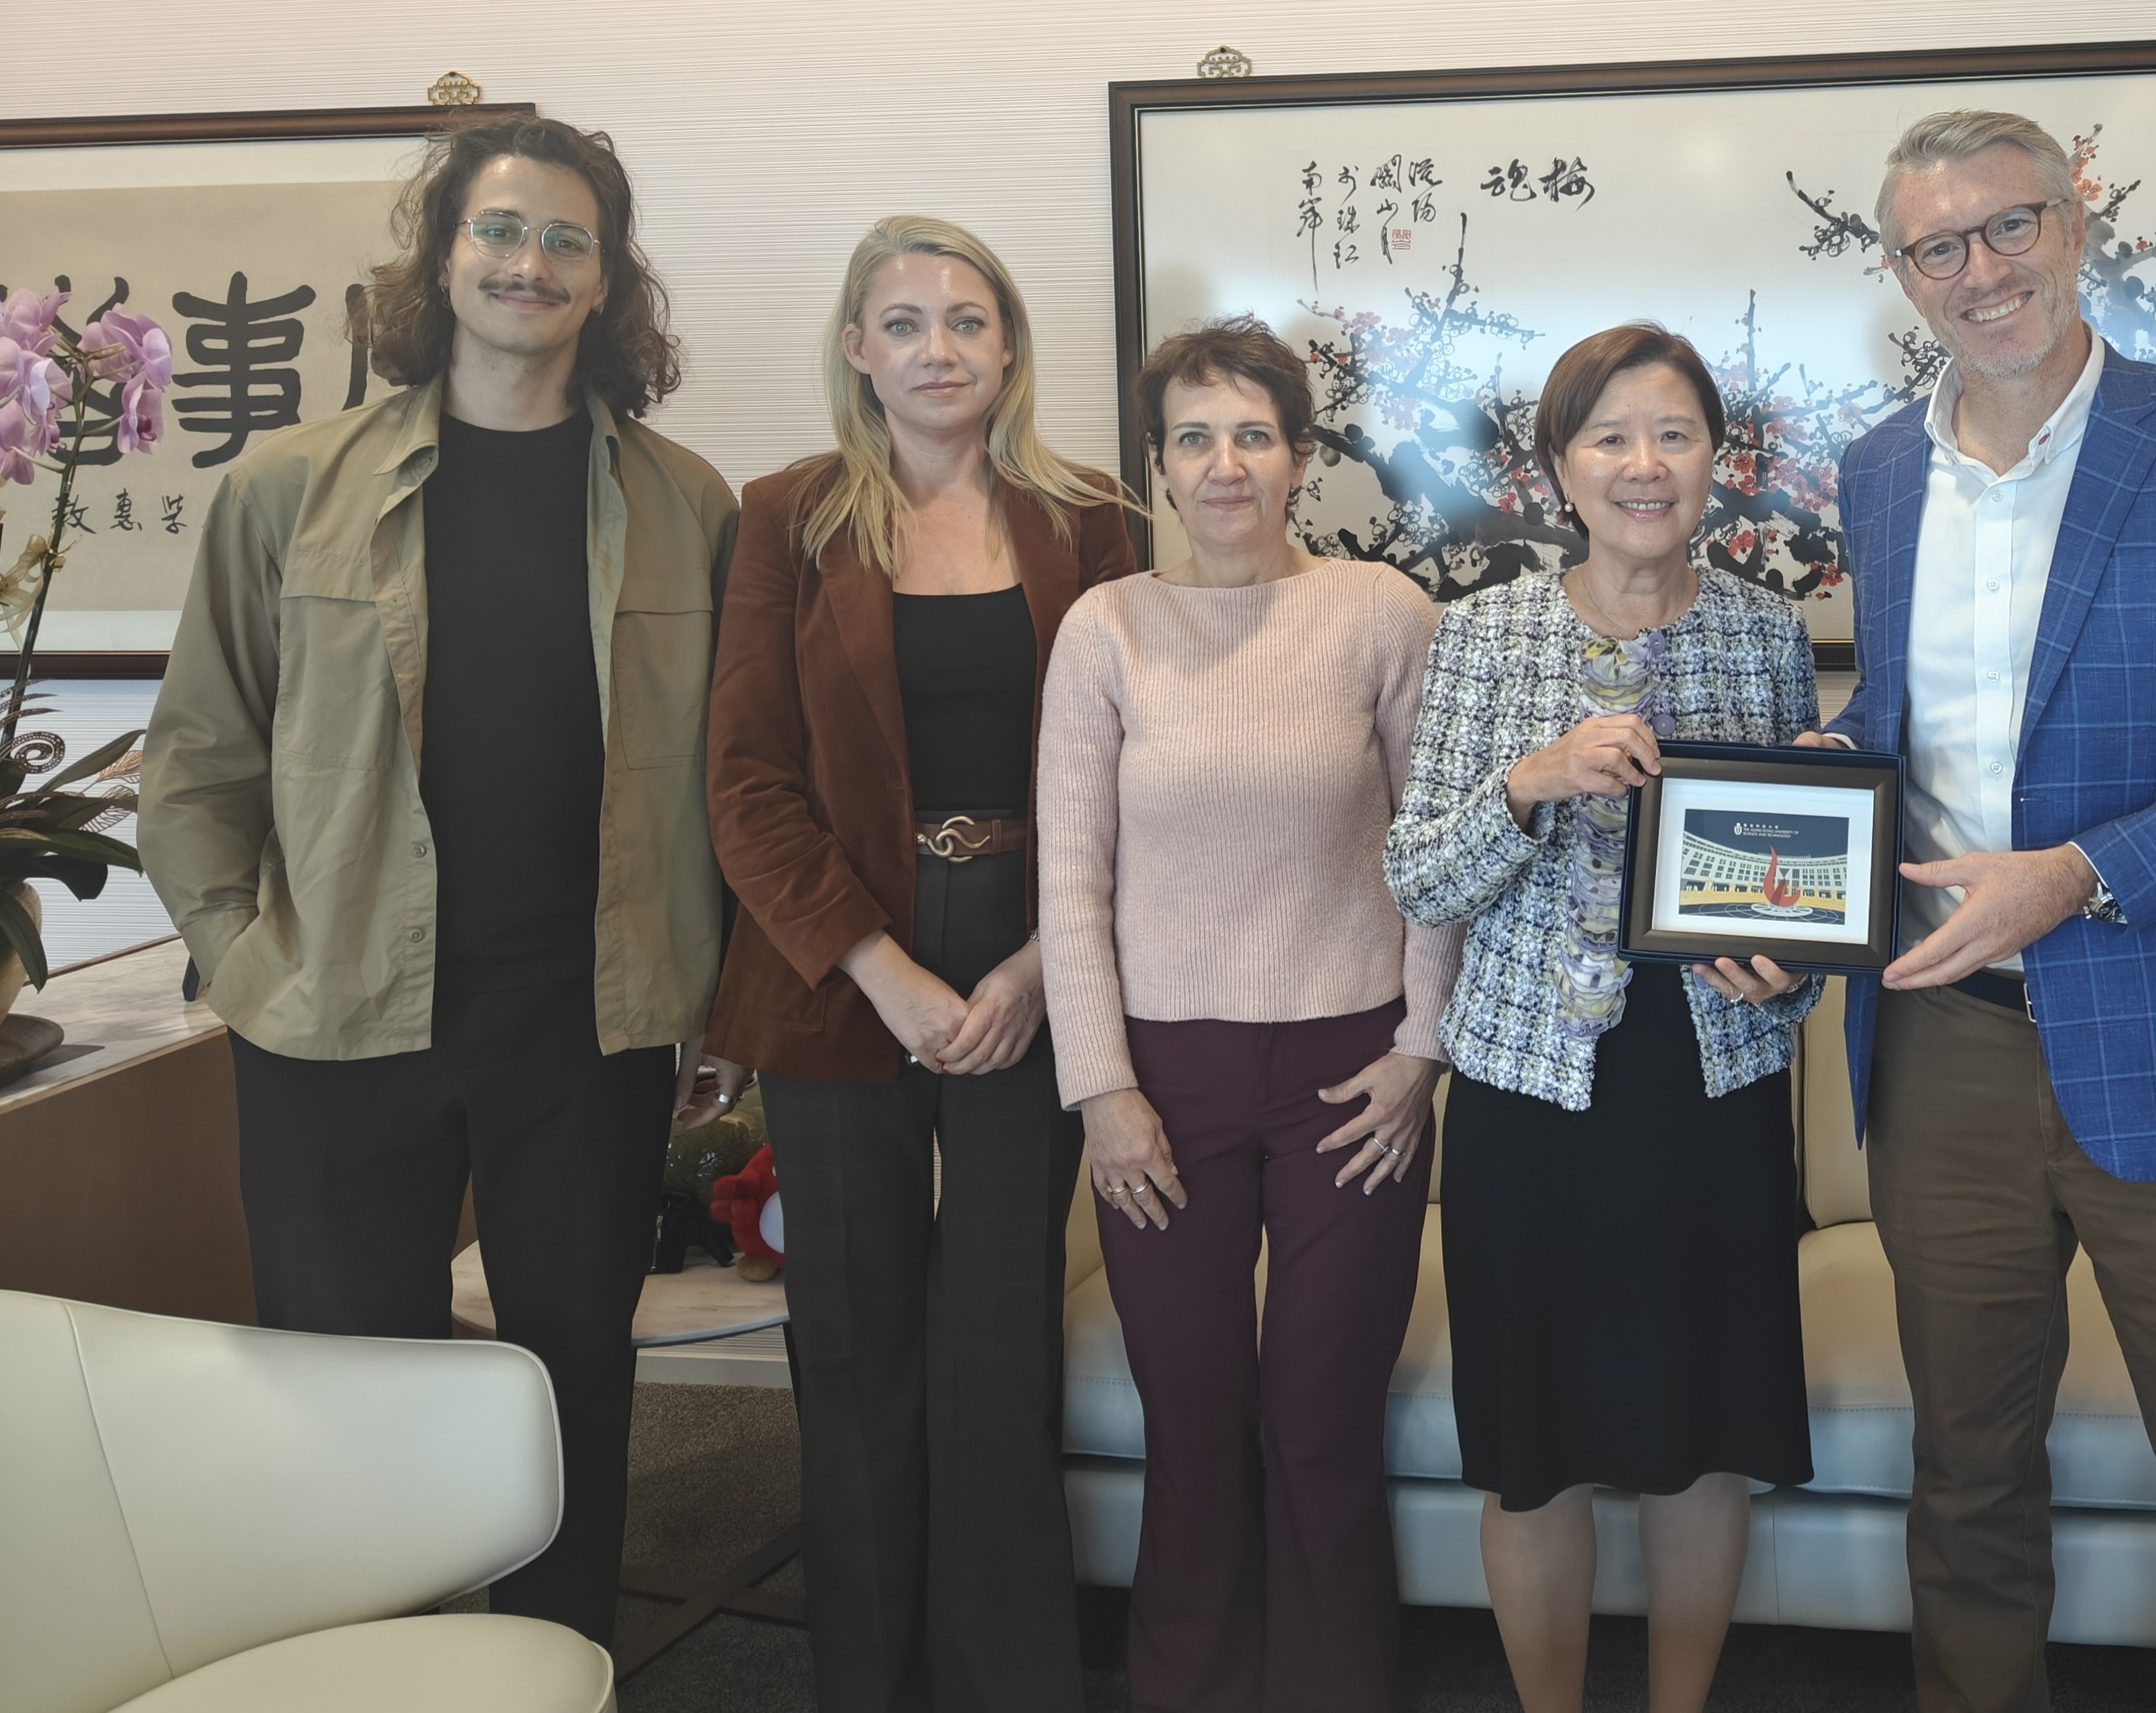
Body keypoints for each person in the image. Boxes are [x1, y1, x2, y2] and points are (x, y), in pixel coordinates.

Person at [140, 114, 741, 1645]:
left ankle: (559, 1663)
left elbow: (732, 777)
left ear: (609, 281)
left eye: (564, 239)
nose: (526, 263)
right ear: (440, 254)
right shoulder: (289, 487)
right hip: (336, 1018)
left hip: (587, 1027)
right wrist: (248, 960)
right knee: (349, 1390)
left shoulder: (687, 502)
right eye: (497, 230)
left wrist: (713, 989)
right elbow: (199, 761)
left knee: (568, 1386)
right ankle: (370, 1671)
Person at [1808, 110, 2156, 1713]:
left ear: (2074, 223)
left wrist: (2079, 874)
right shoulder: (1878, 469)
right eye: (1938, 245)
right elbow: (1906, 738)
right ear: (1900, 271)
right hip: (1942, 1049)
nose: (1978, 271)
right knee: (1966, 1487)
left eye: (2008, 226)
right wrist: (1804, 806)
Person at [703, 216, 1137, 1709]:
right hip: (839, 970)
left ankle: (1009, 1675)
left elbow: (1138, 766)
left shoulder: (1089, 520)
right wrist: (882, 970)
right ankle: (870, 1680)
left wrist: (1035, 969)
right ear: (854, 347)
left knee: (1000, 1329)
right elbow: (745, 781)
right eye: (903, 323)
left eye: (967, 320)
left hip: (1038, 950)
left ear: (1009, 344)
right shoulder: (785, 517)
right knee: (855, 1336)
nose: (936, 349)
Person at [1386, 322, 1819, 1713]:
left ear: (1716, 460)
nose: (1646, 465)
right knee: (1537, 1449)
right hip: (1530, 1091)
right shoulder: (1483, 634)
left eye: (1675, 434)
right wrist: (1531, 782)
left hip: (1711, 1086)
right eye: (1611, 437)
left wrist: (1789, 965)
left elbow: (1800, 882)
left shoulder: (1763, 629)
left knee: (1704, 1441)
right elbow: (1418, 874)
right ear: (1560, 469)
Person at [1035, 315, 1459, 1711]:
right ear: (1159, 466)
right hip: (1165, 1080)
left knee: (1322, 1421)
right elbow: (1071, 881)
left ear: (1299, 458)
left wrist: (1419, 1052)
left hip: (1355, 1074)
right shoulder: (1109, 630)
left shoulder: (1382, 614)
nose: (1226, 464)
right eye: (1196, 437)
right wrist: (1103, 1089)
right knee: (1195, 1421)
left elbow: (1440, 855)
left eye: (1254, 434)